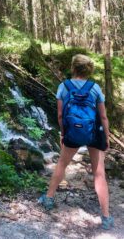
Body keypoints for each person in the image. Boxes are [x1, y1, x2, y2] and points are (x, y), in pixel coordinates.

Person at [38, 54, 114, 230]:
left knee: (62, 164)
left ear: (73, 67)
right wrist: (107, 136)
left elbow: (60, 115)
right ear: (89, 69)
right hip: (94, 132)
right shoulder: (94, 88)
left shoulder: (63, 87)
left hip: (72, 131)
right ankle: (106, 217)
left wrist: (63, 133)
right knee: (99, 173)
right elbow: (103, 116)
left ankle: (48, 199)